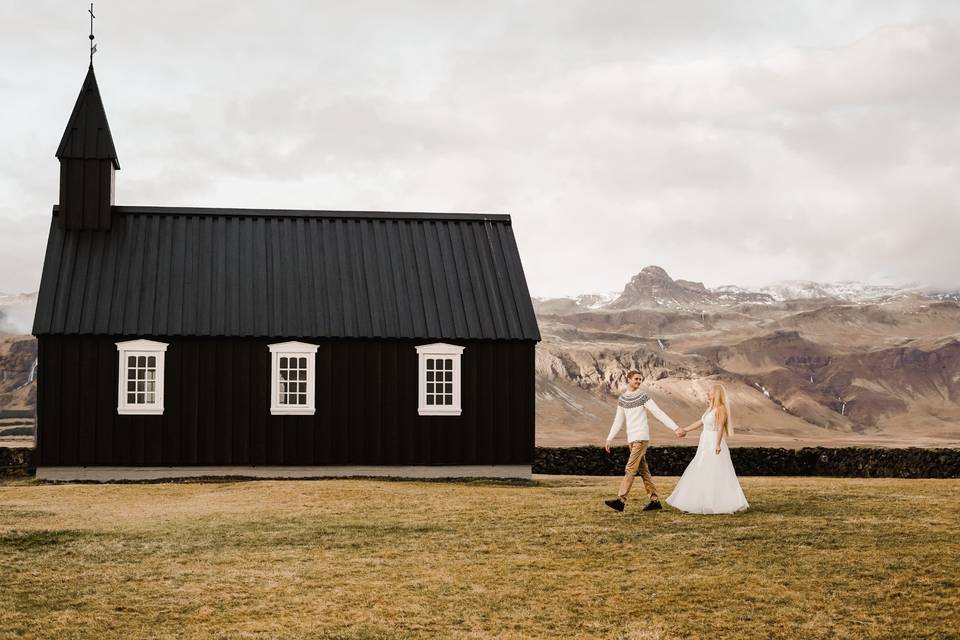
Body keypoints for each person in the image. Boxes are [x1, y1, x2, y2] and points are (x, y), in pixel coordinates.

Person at [603, 370, 683, 512]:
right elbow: (618, 420)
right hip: (631, 439)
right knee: (643, 471)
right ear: (628, 379)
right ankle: (654, 501)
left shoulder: (643, 396)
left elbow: (658, 413)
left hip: (641, 437)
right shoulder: (622, 399)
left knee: (630, 468)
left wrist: (675, 428)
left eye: (640, 379)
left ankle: (620, 500)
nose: (639, 382)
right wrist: (609, 438)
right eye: (636, 379)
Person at [666, 383, 749, 514]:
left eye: (710, 391)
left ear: (716, 393)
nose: (707, 393)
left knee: (713, 470)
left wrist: (717, 444)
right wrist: (685, 430)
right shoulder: (710, 409)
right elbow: (701, 422)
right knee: (701, 468)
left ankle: (717, 503)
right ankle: (697, 502)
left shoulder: (721, 409)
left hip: (713, 441)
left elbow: (720, 427)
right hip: (705, 441)